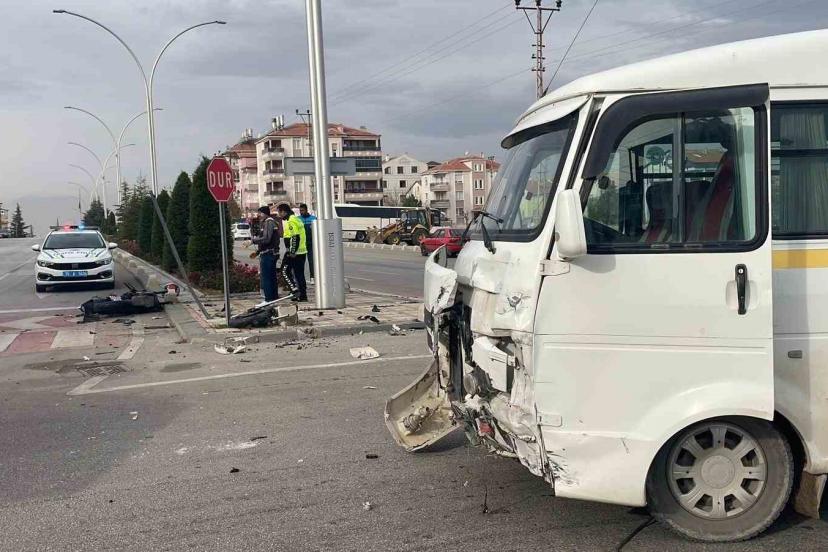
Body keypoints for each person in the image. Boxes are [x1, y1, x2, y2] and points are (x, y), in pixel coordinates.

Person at [277, 203, 308, 302]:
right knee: (299, 274)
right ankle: (302, 295)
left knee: (284, 271)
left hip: (295, 252)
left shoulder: (291, 220)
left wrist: (292, 251)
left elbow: (295, 237)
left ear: (284, 212)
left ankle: (295, 291)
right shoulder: (296, 219)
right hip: (301, 251)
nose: (279, 215)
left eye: (279, 212)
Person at [249, 205, 281, 302]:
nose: (258, 215)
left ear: (265, 213)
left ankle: (268, 298)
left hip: (268, 254)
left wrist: (253, 241)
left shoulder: (268, 222)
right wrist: (258, 251)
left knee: (267, 277)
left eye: (260, 213)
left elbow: (267, 239)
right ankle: (273, 297)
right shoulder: (269, 222)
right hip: (270, 252)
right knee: (271, 276)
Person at [298, 203, 317, 284]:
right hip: (302, 244)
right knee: (301, 263)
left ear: (306, 210)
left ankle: (312, 277)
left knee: (311, 261)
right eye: (300, 211)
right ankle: (301, 279)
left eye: (302, 210)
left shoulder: (313, 219)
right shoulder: (298, 219)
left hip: (311, 244)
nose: (301, 212)